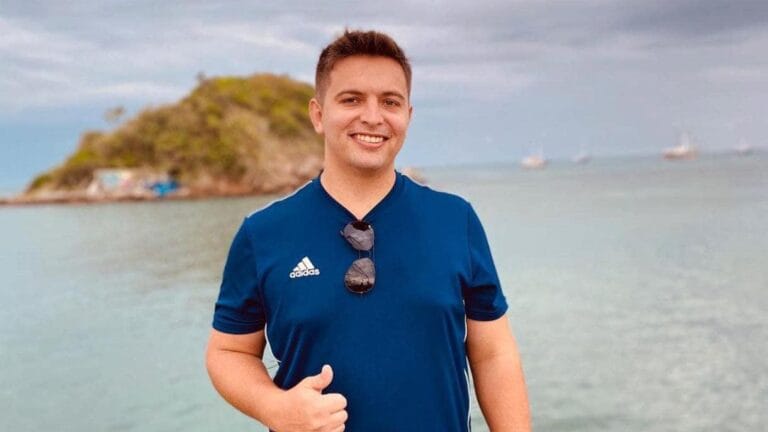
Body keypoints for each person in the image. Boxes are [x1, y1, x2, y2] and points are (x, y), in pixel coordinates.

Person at [205, 29, 531, 432]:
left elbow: (493, 353)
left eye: (390, 102)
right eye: (352, 99)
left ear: (408, 116)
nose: (373, 117)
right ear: (318, 114)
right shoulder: (263, 234)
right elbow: (229, 351)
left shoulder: (456, 220)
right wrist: (273, 406)